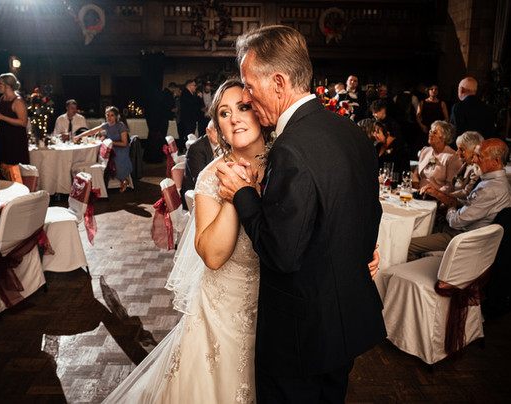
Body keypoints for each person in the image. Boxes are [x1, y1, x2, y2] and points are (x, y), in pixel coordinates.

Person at [103, 78, 379, 403]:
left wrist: (356, 254)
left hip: (286, 315)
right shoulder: (211, 177)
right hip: (224, 317)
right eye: (224, 112)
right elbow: (213, 256)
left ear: (259, 113)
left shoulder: (288, 161)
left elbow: (320, 223)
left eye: (243, 107)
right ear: (217, 126)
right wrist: (235, 194)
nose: (234, 118)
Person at [217, 25, 385, 403]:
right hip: (343, 325)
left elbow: (282, 254)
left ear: (278, 83)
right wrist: (361, 256)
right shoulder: (351, 132)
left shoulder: (290, 148)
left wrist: (244, 195)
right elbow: (367, 212)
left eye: (249, 86)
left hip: (299, 337)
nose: (246, 97)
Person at [408, 138, 511, 260]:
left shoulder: (490, 189)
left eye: (479, 156)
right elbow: (472, 204)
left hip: (462, 238)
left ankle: (420, 269)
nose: (474, 160)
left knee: (407, 245)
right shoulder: (496, 182)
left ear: (496, 161)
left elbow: (455, 221)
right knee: (417, 230)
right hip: (463, 231)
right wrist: (440, 195)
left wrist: (450, 206)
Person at [74, 106, 132, 192]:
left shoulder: (121, 126)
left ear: (116, 116)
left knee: (112, 159)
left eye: (112, 115)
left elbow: (124, 143)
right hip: (111, 147)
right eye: (107, 115)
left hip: (121, 148)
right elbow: (92, 131)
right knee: (103, 156)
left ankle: (124, 180)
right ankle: (103, 182)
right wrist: (78, 136)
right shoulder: (106, 125)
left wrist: (109, 141)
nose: (109, 117)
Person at [420, 131, 484, 205]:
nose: (457, 152)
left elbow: (466, 193)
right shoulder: (465, 165)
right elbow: (454, 185)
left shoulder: (477, 169)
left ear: (474, 150)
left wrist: (440, 195)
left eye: (462, 149)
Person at [412, 120, 461, 192]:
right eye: (430, 131)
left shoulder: (452, 157)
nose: (430, 135)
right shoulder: (425, 151)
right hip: (419, 192)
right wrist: (417, 191)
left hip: (437, 196)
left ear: (444, 137)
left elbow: (450, 186)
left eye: (434, 133)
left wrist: (434, 194)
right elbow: (415, 175)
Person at [180, 120, 219, 208]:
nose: (221, 135)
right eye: (217, 130)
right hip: (195, 196)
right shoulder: (196, 149)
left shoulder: (225, 145)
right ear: (208, 132)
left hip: (214, 190)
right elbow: (201, 180)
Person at [0, 73, 30, 165]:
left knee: (15, 166)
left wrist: (2, 117)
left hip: (15, 139)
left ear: (7, 85)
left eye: (0, 83)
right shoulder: (2, 98)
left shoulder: (17, 101)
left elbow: (23, 122)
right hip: (3, 138)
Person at [178, 79, 204, 151]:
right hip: (188, 119)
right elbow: (192, 103)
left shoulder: (190, 94)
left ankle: (188, 150)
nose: (195, 87)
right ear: (189, 86)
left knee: (189, 135)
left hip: (190, 119)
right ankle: (188, 151)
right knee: (189, 135)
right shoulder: (185, 93)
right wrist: (199, 97)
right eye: (194, 85)